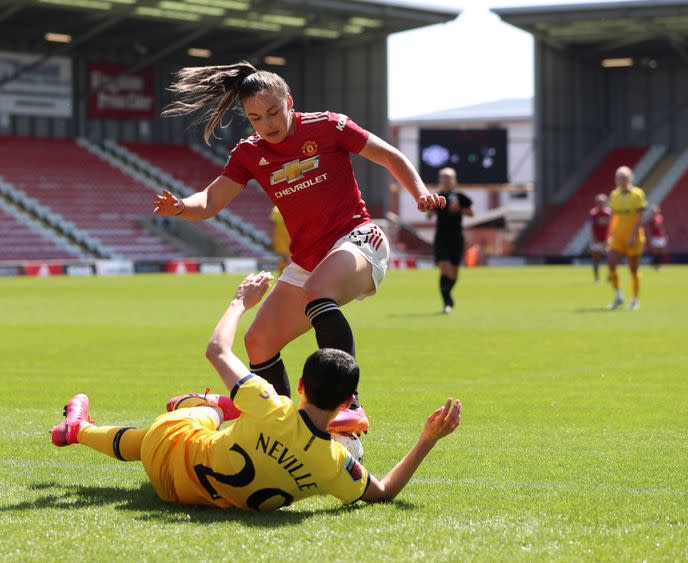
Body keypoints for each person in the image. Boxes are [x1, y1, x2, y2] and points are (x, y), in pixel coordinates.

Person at [153, 62, 444, 433]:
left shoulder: (328, 126)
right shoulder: (248, 154)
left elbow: (390, 155)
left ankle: (348, 403)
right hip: (308, 259)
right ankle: (285, 427)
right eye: (256, 118)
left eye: (274, 112)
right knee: (258, 342)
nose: (268, 124)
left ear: (289, 101)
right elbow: (210, 201)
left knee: (317, 291)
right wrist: (181, 206)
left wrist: (419, 193)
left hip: (357, 238)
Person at [49, 273, 461, 511]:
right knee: (209, 417)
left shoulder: (271, 406)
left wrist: (239, 301)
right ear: (346, 403)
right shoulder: (334, 463)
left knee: (206, 411)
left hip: (170, 451)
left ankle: (91, 427)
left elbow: (216, 350)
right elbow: (384, 491)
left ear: (299, 386)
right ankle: (189, 407)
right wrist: (428, 438)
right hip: (184, 496)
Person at [426, 168, 473, 314]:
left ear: (454, 180)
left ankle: (448, 295)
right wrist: (430, 209)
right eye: (443, 178)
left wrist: (460, 209)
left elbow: (471, 213)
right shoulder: (437, 197)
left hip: (457, 237)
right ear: (439, 180)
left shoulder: (460, 196)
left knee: (453, 273)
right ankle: (447, 302)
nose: (445, 180)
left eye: (448, 178)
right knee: (444, 268)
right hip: (441, 237)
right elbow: (429, 216)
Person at [606, 166, 647, 310]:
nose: (621, 180)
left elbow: (640, 217)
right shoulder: (614, 195)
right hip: (618, 236)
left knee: (633, 269)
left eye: (624, 177)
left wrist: (634, 236)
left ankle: (635, 299)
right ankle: (618, 296)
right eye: (618, 177)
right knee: (611, 262)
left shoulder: (638, 194)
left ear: (630, 178)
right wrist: (609, 236)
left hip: (633, 237)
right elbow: (613, 218)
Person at [588, 194, 611, 283]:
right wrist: (593, 239)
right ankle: (597, 278)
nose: (600, 203)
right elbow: (591, 227)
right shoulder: (593, 213)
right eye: (598, 202)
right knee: (596, 259)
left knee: (611, 259)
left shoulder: (609, 213)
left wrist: (608, 239)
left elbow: (611, 227)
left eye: (602, 202)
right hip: (597, 240)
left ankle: (610, 276)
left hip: (607, 240)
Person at [270, 205, 291, 274]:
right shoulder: (276, 210)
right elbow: (273, 226)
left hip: (292, 239)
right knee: (286, 259)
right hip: (281, 240)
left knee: (287, 261)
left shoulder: (295, 208)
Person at [647, 204, 668, 270]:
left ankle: (653, 263)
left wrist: (665, 234)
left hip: (661, 236)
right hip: (655, 237)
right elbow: (650, 228)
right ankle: (656, 265)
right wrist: (649, 237)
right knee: (655, 252)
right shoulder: (651, 219)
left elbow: (662, 227)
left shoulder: (660, 217)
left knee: (662, 252)